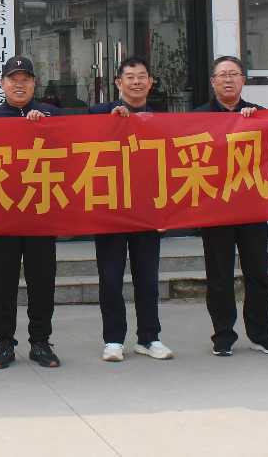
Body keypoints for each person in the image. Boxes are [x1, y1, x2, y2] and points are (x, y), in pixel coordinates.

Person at [194, 56, 268, 358]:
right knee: (219, 276)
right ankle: (223, 335)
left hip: (252, 207)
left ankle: (262, 334)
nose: (228, 79)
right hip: (215, 208)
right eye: (222, 75)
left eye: (234, 74)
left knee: (257, 273)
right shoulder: (198, 117)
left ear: (243, 80)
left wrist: (256, 123)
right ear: (213, 82)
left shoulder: (258, 114)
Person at [89, 56, 173, 363]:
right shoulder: (99, 113)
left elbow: (172, 165)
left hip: (147, 210)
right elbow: (80, 145)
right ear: (118, 83)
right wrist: (110, 121)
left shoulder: (162, 119)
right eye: (130, 77)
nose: (136, 82)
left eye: (141, 77)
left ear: (150, 82)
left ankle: (149, 337)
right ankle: (113, 339)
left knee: (147, 279)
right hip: (111, 208)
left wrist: (167, 212)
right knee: (111, 278)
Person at [0, 56, 62, 370]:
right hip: (3, 215)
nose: (19, 84)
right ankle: (4, 343)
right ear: (2, 84)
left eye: (25, 79)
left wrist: (46, 129)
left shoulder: (52, 115)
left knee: (43, 282)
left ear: (34, 83)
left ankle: (40, 342)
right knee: (2, 284)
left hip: (41, 214)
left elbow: (73, 154)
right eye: (13, 79)